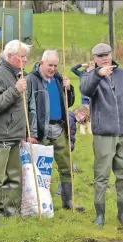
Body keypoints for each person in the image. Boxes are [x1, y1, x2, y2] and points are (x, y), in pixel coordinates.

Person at [80, 43, 123, 226]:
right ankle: (100, 215)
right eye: (100, 56)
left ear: (111, 55)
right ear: (94, 59)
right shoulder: (90, 77)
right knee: (101, 176)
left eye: (107, 54)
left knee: (122, 175)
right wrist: (98, 75)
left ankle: (122, 213)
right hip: (104, 135)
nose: (105, 58)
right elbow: (85, 89)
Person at [26, 50, 84, 212]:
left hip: (59, 128)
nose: (53, 68)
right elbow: (25, 107)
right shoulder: (32, 79)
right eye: (50, 65)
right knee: (40, 169)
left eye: (55, 65)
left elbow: (69, 103)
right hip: (40, 130)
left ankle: (68, 201)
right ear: (42, 63)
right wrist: (30, 132)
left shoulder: (59, 79)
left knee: (66, 165)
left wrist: (69, 89)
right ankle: (41, 203)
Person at [0, 40, 30, 225]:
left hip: (14, 135)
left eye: (26, 56)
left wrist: (23, 134)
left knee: (14, 178)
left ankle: (11, 214)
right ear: (10, 56)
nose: (26, 59)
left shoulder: (17, 74)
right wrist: (15, 90)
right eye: (22, 56)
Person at [55, 105, 90, 197]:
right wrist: (69, 145)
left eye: (84, 117)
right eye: (82, 114)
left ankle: (62, 192)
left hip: (65, 148)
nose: (81, 117)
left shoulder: (71, 118)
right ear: (76, 110)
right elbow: (68, 135)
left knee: (68, 169)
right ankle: (62, 192)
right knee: (69, 169)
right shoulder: (70, 119)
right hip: (63, 148)